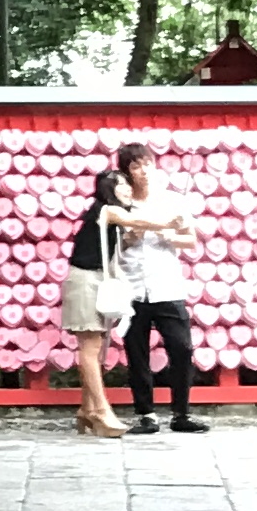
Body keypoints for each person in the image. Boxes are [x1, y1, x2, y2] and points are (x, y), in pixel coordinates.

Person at [116, 148, 209, 434]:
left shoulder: (172, 200)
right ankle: (146, 414)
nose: (143, 171)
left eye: (147, 164)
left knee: (181, 349)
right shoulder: (121, 204)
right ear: (126, 172)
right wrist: (132, 236)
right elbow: (113, 246)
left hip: (166, 286)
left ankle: (181, 413)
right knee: (137, 353)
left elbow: (191, 240)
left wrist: (169, 234)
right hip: (132, 287)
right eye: (135, 167)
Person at [58, 153, 151, 438]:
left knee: (96, 348)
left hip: (97, 281)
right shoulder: (104, 210)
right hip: (85, 280)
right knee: (88, 348)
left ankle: (87, 410)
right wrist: (171, 223)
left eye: (127, 185)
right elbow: (138, 220)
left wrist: (129, 238)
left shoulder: (110, 217)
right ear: (108, 189)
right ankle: (100, 411)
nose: (126, 189)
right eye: (121, 185)